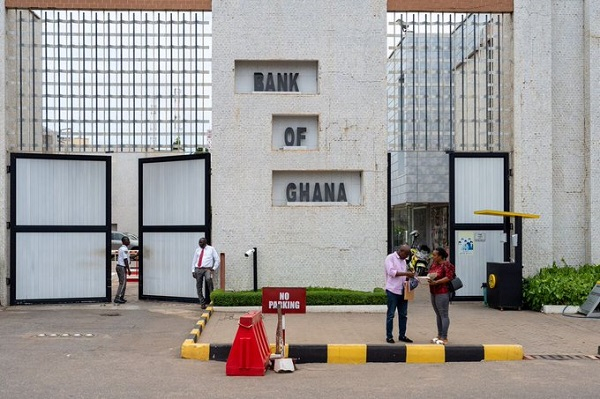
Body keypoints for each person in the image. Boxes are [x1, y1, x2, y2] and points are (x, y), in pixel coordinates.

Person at [384, 244, 415, 344]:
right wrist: (406, 274)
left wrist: (410, 278)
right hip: (392, 290)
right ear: (401, 251)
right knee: (391, 315)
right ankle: (389, 336)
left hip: (403, 290)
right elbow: (392, 272)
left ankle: (402, 335)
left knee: (403, 315)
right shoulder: (390, 258)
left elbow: (403, 275)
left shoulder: (404, 260)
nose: (406, 257)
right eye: (405, 255)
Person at [427, 247, 455, 345]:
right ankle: (439, 335)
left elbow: (449, 277)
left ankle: (444, 337)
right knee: (438, 314)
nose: (433, 257)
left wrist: (437, 282)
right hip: (433, 291)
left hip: (442, 291)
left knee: (443, 314)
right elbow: (430, 274)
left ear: (440, 256)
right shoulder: (433, 264)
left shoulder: (447, 265)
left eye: (435, 255)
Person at [191, 237, 220, 309]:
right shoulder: (197, 250)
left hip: (207, 269)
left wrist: (213, 268)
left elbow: (217, 259)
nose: (200, 244)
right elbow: (194, 261)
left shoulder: (211, 249)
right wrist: (193, 270)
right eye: (199, 243)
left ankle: (212, 300)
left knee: (208, 280)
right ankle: (202, 303)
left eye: (201, 243)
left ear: (205, 242)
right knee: (199, 286)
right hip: (198, 269)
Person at [114, 236, 131, 304]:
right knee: (122, 283)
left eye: (129, 240)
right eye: (127, 240)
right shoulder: (124, 249)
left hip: (121, 267)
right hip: (121, 267)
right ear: (123, 242)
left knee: (124, 283)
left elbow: (127, 258)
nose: (129, 241)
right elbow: (125, 260)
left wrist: (135, 256)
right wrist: (128, 269)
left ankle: (121, 297)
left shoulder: (123, 248)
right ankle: (117, 298)